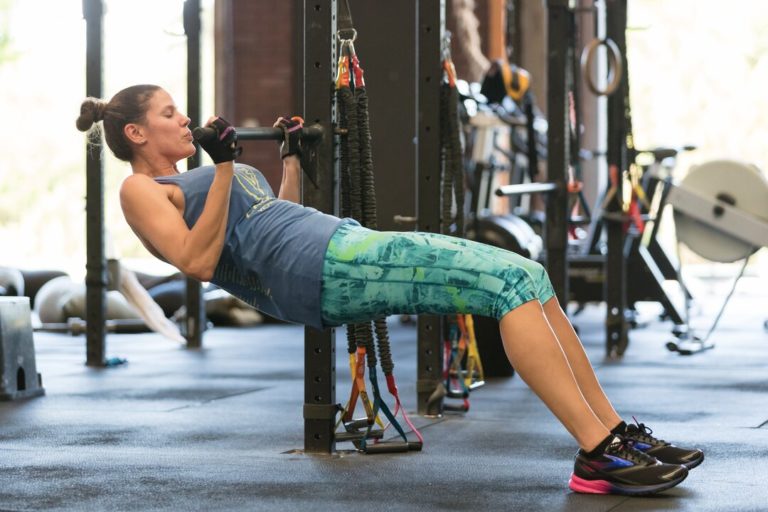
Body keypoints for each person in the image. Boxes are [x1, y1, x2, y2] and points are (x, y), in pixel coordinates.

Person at [76, 84, 703, 496]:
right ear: (135, 134)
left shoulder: (201, 178)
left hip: (329, 246)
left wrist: (291, 161)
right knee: (509, 279)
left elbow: (265, 217)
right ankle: (596, 453)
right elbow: (196, 260)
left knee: (529, 275)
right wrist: (218, 169)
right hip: (318, 268)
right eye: (167, 113)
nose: (183, 117)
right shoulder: (140, 190)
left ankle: (614, 432)